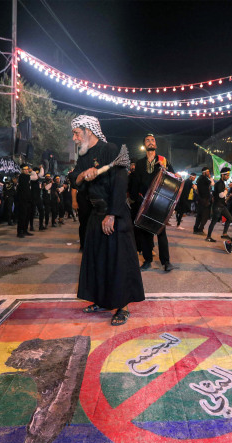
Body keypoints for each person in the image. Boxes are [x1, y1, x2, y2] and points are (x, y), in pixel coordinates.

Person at [71, 115, 144, 325]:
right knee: (97, 259)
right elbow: (74, 178)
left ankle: (123, 306)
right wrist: (85, 173)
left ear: (89, 131)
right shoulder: (84, 155)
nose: (75, 138)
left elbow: (120, 183)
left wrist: (112, 214)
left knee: (117, 260)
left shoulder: (111, 150)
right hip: (95, 214)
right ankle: (101, 300)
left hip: (114, 213)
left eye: (77, 133)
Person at [129, 133, 176, 272]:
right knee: (145, 233)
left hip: (160, 202)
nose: (150, 142)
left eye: (152, 140)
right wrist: (133, 200)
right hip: (143, 201)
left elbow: (174, 177)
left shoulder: (163, 160)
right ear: (145, 145)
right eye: (147, 141)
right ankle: (147, 260)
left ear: (155, 144)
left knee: (161, 233)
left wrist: (164, 168)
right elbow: (136, 182)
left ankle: (166, 262)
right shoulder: (139, 163)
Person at [205, 167, 232, 242]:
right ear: (222, 175)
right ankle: (208, 237)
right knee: (214, 221)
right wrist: (226, 191)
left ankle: (224, 234)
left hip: (221, 206)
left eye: (228, 175)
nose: (228, 176)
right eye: (227, 175)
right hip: (218, 206)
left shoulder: (221, 183)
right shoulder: (219, 183)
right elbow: (221, 195)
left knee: (230, 218)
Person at [193, 167, 213, 234]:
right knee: (205, 215)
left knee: (199, 215)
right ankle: (200, 229)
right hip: (204, 199)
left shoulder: (199, 179)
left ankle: (196, 229)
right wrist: (210, 177)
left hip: (200, 199)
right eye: (208, 172)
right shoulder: (204, 178)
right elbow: (212, 183)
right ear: (204, 172)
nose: (209, 173)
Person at [16, 164, 33, 238]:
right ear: (22, 170)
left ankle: (25, 230)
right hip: (22, 200)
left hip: (28, 199)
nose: (27, 170)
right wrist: (32, 172)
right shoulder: (23, 176)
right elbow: (35, 176)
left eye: (27, 169)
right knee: (22, 216)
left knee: (27, 215)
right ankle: (20, 232)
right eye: (25, 169)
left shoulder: (26, 177)